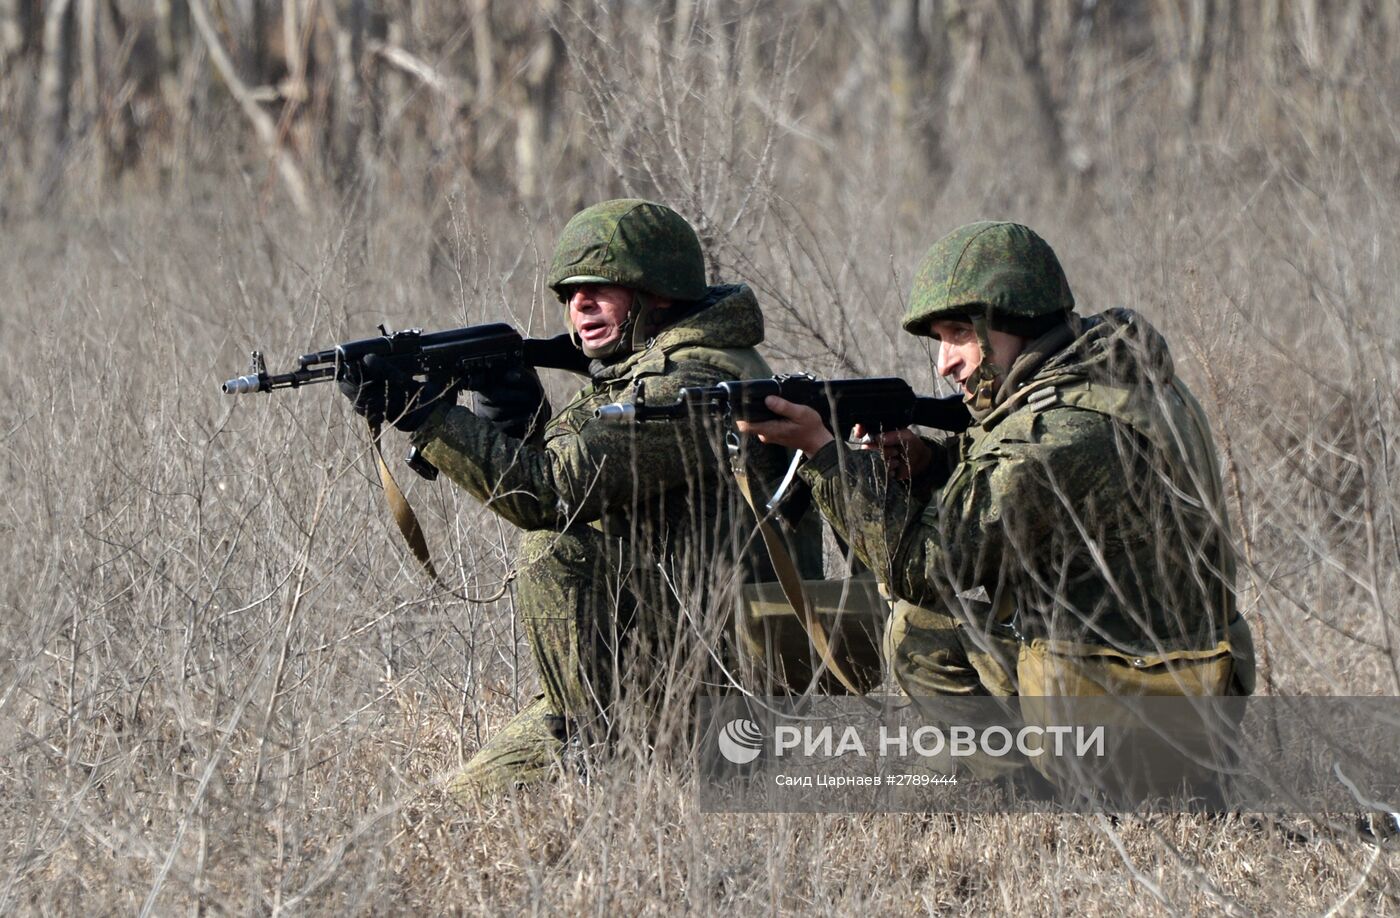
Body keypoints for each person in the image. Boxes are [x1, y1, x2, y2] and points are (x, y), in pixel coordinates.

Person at [340, 199, 817, 796]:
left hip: (716, 671)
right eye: (570, 292)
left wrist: (427, 420)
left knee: (552, 548)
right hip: (652, 653)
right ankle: (591, 740)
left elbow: (554, 493)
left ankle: (602, 756)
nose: (579, 306)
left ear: (659, 293)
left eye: (601, 288)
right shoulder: (638, 371)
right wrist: (507, 409)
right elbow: (585, 479)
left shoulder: (693, 383)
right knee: (447, 804)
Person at [739, 220, 1255, 717]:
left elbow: (924, 568)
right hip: (1183, 680)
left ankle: (1039, 793)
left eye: (960, 333)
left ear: (1019, 323)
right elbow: (1035, 494)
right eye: (940, 338)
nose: (945, 362)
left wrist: (822, 453)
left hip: (1138, 702)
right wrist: (930, 463)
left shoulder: (1064, 431)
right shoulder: (1122, 381)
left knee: (917, 625)